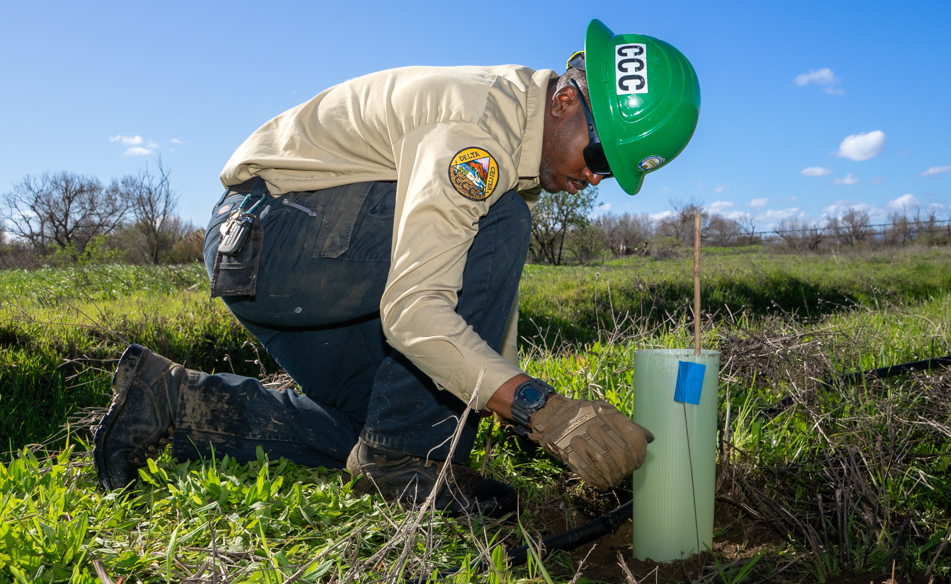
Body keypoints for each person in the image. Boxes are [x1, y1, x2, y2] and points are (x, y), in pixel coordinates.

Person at [92, 19, 701, 516]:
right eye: (598, 155)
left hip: (271, 258)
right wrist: (542, 409)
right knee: (503, 220)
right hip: (272, 237)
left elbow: (479, 305)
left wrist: (500, 404)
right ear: (566, 100)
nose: (593, 178)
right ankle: (404, 463)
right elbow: (417, 311)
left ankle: (169, 399)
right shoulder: (480, 131)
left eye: (612, 175)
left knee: (378, 424)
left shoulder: (518, 135)